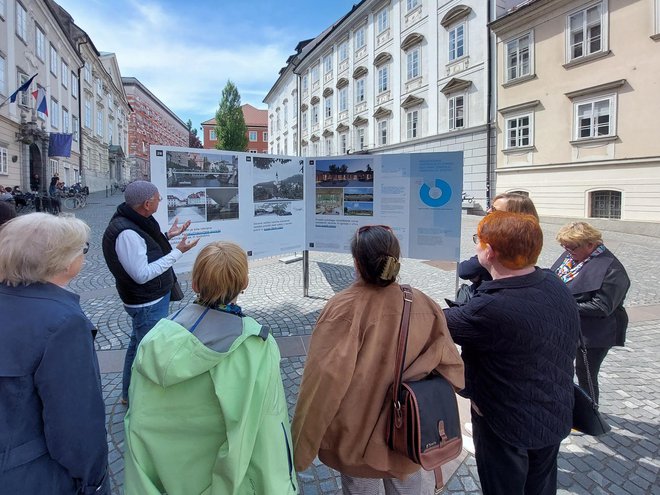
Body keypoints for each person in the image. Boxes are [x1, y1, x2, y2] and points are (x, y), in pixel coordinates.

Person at [292, 225, 464, 494]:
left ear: (357, 262)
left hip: (356, 439)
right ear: (396, 259)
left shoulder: (343, 307)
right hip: (408, 433)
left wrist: (302, 446)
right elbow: (453, 369)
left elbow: (322, 383)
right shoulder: (423, 302)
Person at [123, 241, 298, 494]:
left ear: (194, 284)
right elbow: (268, 428)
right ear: (244, 284)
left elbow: (136, 424)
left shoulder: (152, 342)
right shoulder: (256, 348)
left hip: (166, 482)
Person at [444, 211, 579, 495]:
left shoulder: (490, 308)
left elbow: (435, 322)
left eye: (478, 242)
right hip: (553, 411)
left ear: (490, 251)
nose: (476, 248)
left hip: (506, 423)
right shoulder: (554, 282)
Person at [0, 213, 109, 494]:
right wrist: (94, 482)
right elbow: (76, 423)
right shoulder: (63, 322)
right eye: (82, 249)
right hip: (33, 475)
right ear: (62, 260)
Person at [102, 180, 199, 405]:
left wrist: (168, 236)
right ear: (147, 204)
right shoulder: (126, 232)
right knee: (148, 352)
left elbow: (146, 249)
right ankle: (144, 403)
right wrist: (178, 252)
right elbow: (142, 274)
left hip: (149, 299)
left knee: (138, 345)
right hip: (146, 303)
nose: (160, 201)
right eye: (157, 198)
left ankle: (128, 394)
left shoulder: (135, 220)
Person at [551, 221, 630, 404]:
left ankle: (591, 414)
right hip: (572, 326)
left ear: (591, 244)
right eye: (564, 246)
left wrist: (562, 305)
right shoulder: (573, 256)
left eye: (572, 247)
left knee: (586, 373)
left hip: (596, 333)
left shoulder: (613, 269)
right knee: (564, 368)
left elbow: (602, 306)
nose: (567, 250)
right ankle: (568, 405)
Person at [456, 193, 539, 299]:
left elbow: (465, 270)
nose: (488, 211)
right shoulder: (531, 238)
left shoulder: (502, 240)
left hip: (493, 297)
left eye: (494, 210)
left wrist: (481, 274)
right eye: (490, 207)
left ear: (511, 215)